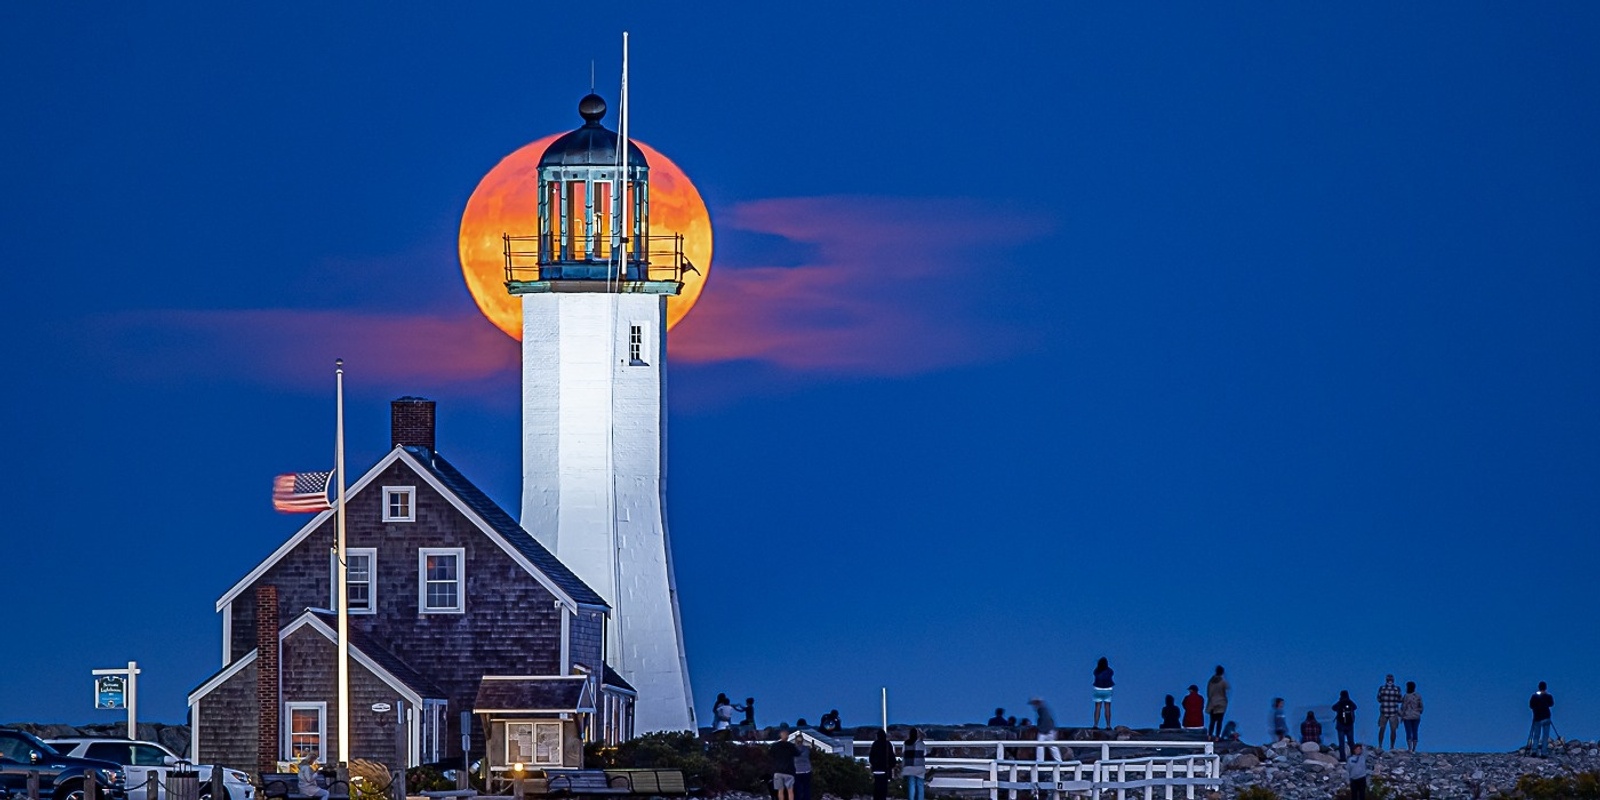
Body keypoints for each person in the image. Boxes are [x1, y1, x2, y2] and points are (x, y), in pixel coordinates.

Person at [769, 728, 800, 800]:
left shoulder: (775, 746)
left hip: (778, 771)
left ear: (780, 735)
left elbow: (770, 755)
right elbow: (797, 754)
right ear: (788, 736)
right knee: (790, 790)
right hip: (789, 771)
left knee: (780, 790)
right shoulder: (791, 746)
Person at [868, 729, 896, 800]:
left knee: (876, 788)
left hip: (876, 770)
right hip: (885, 770)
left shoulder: (875, 744)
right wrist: (891, 766)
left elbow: (871, 757)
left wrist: (874, 764)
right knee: (883, 790)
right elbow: (892, 758)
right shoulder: (888, 744)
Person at [1529, 682, 1555, 757]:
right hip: (1546, 716)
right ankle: (1544, 752)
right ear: (1545, 687)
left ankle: (1534, 751)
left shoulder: (1534, 696)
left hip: (1537, 717)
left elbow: (1531, 705)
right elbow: (1551, 704)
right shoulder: (1548, 696)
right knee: (1545, 736)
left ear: (1539, 687)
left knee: (1536, 735)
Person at [1376, 675, 1402, 751]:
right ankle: (1391, 746)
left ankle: (1380, 745)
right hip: (1393, 711)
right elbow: (1400, 699)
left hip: (1384, 711)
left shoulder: (1382, 688)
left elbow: (1379, 699)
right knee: (1392, 730)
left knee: (1382, 729)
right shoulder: (1397, 689)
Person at [902, 728, 927, 800]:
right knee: (920, 785)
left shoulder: (906, 743)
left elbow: (903, 754)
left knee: (911, 785)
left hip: (909, 767)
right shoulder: (921, 744)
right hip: (919, 766)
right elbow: (924, 753)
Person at [1205, 666, 1230, 740]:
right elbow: (1227, 689)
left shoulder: (1210, 681)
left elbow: (1208, 693)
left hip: (1212, 703)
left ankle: (1209, 735)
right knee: (1219, 721)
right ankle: (1217, 737)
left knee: (1212, 721)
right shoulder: (1223, 682)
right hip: (1221, 703)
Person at [1333, 690, 1358, 758]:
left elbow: (1333, 708)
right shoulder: (1350, 702)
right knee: (1351, 742)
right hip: (1350, 725)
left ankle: (1343, 758)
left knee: (1341, 743)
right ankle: (1354, 756)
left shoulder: (1340, 703)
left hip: (1340, 725)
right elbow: (1355, 707)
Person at [1092, 657, 1115, 729]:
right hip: (1108, 689)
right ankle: (1108, 725)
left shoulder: (1096, 671)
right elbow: (1112, 673)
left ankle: (1095, 724)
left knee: (1097, 707)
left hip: (1098, 689)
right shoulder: (1110, 671)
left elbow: (1095, 673)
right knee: (1107, 707)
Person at [1400, 681, 1424, 752]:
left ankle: (1410, 748)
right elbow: (1421, 706)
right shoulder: (1418, 696)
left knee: (1408, 732)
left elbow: (1403, 707)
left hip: (1407, 716)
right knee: (1415, 731)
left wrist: (1402, 716)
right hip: (1416, 716)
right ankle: (1414, 748)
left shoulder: (1406, 696)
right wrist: (1418, 712)